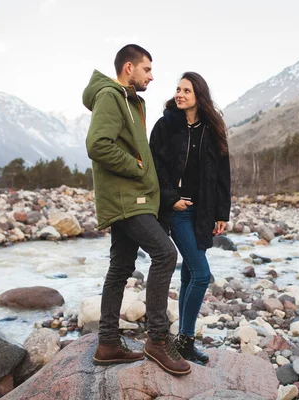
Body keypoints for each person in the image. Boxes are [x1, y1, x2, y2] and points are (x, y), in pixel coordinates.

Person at [83, 44, 191, 376]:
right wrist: (137, 166)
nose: (152, 75)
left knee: (120, 268)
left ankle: (108, 344)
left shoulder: (130, 101)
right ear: (129, 67)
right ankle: (157, 341)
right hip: (127, 200)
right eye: (147, 69)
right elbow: (97, 144)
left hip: (130, 198)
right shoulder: (111, 97)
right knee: (165, 255)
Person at [150, 72, 231, 364]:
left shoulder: (212, 127)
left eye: (187, 90)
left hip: (204, 210)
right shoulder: (165, 125)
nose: (180, 94)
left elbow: (223, 173)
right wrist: (170, 198)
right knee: (200, 273)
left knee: (188, 274)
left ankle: (183, 340)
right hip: (178, 210)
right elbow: (154, 166)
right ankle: (185, 339)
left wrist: (222, 212)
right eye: (178, 89)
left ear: (199, 95)